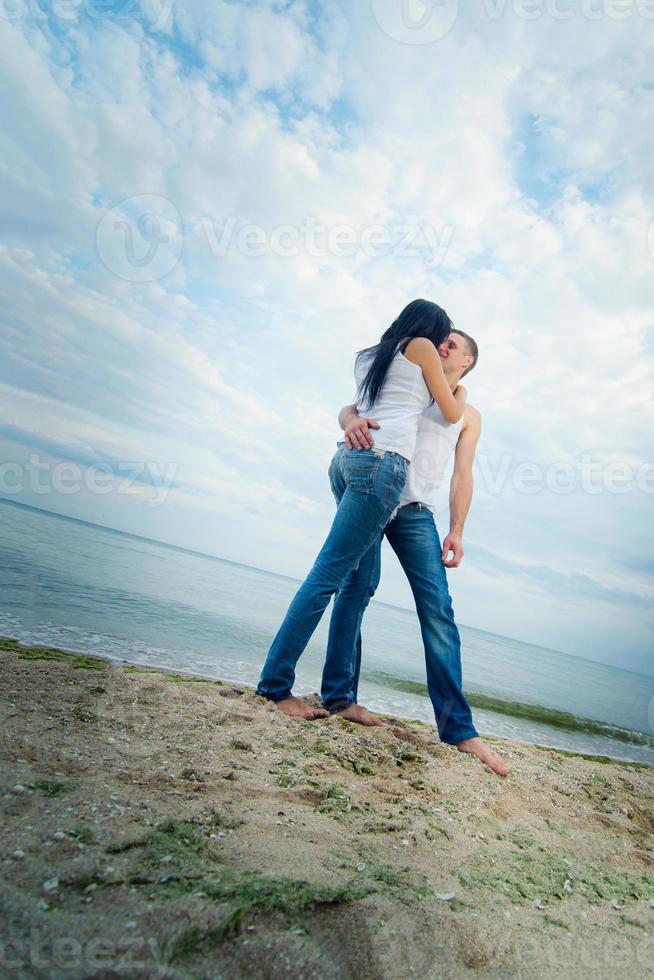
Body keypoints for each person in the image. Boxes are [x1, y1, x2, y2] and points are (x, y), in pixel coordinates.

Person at [256, 299, 467, 719]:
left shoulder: (371, 354)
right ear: (431, 328)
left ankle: (339, 697)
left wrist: (346, 420)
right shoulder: (422, 347)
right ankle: (276, 687)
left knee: (361, 580)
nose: (441, 345)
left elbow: (355, 408)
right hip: (381, 465)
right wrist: (461, 388)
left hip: (347, 460)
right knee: (328, 575)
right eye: (443, 336)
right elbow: (452, 410)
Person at [323, 330, 510, 777]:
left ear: (468, 361)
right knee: (355, 591)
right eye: (440, 340)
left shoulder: (469, 414)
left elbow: (462, 475)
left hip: (414, 513)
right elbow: (354, 407)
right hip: (371, 493)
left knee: (438, 610)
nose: (442, 346)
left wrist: (458, 530)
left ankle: (459, 729)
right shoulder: (414, 381)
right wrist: (347, 417)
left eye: (453, 345)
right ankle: (339, 698)